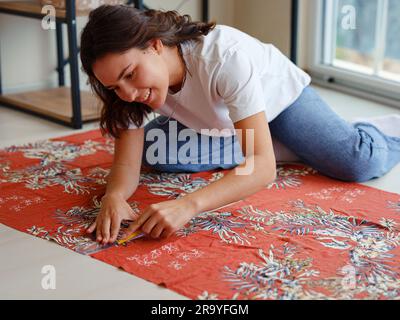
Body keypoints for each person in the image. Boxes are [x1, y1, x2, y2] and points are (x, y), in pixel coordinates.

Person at [80, 4, 400, 244]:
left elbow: (261, 169)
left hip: (281, 105)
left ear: (154, 45)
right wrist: (115, 196)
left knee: (355, 161)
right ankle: (275, 145)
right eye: (114, 87)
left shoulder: (223, 58)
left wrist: (188, 205)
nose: (129, 93)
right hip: (222, 125)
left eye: (130, 75)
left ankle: (377, 130)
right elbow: (126, 160)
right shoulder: (130, 91)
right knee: (153, 150)